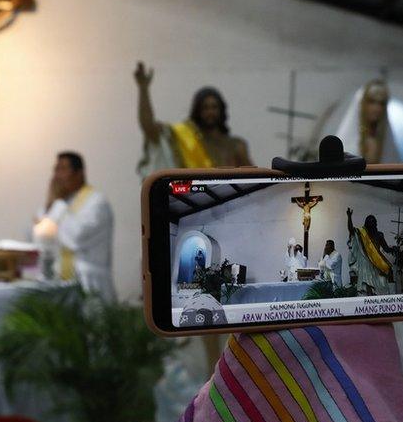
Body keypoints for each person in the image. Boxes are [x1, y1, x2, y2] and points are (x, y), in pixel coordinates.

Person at [134, 61, 251, 177]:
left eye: (214, 107)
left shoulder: (235, 146)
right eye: (205, 107)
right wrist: (143, 89)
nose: (210, 112)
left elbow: (255, 181)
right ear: (197, 111)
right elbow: (148, 127)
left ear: (221, 110)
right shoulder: (181, 137)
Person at [35, 152, 115, 300]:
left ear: (80, 173)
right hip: (62, 282)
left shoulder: (97, 202)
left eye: (63, 169)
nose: (57, 176)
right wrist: (51, 202)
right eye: (56, 170)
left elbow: (75, 238)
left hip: (90, 282)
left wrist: (57, 204)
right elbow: (41, 237)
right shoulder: (63, 203)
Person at [346, 207, 397, 295]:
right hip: (365, 262)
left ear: (376, 223)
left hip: (377, 262)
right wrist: (349, 217)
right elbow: (351, 230)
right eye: (370, 221)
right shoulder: (362, 233)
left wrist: (393, 249)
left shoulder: (379, 235)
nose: (372, 223)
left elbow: (386, 248)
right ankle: (368, 296)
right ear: (366, 223)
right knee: (366, 283)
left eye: (373, 221)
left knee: (386, 274)